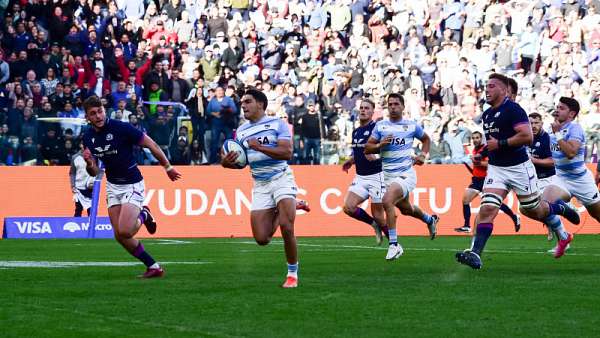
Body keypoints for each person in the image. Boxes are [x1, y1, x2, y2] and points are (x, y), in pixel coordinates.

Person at [455, 74, 580, 269]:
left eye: (492, 86)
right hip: (497, 169)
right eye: (486, 86)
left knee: (534, 209)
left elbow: (527, 137)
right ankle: (475, 254)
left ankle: (560, 208)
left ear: (504, 90)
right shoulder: (487, 114)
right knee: (487, 209)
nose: (487, 90)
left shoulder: (514, 110)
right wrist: (485, 153)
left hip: (519, 168)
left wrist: (501, 143)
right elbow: (493, 141)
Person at [81, 96, 182, 278]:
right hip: (112, 186)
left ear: (105, 110)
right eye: (93, 114)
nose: (98, 116)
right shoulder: (88, 137)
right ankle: (154, 267)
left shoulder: (122, 128)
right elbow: (95, 172)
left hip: (132, 184)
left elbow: (151, 144)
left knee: (126, 230)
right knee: (120, 236)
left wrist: (168, 167)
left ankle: (144, 214)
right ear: (87, 117)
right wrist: (88, 162)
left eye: (100, 111)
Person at [221, 89, 300, 288]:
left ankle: (292, 274)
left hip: (281, 177)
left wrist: (260, 147)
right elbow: (239, 162)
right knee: (261, 238)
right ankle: (292, 205)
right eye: (242, 103)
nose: (244, 106)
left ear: (260, 104)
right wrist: (226, 162)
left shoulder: (277, 124)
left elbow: (287, 152)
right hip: (260, 184)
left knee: (287, 227)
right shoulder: (240, 132)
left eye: (248, 102)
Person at [365, 93, 439, 261]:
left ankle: (394, 245)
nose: (392, 107)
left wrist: (423, 155)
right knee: (406, 210)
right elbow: (367, 149)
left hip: (406, 174)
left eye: (396, 104)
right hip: (389, 176)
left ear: (403, 107)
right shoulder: (380, 126)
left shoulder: (411, 126)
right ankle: (430, 219)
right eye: (390, 104)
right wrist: (380, 145)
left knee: (387, 201)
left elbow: (426, 139)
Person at [542, 97, 600, 257]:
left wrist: (558, 134)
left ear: (571, 113)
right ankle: (564, 236)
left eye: (561, 108)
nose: (557, 110)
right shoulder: (551, 130)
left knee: (597, 215)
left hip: (581, 179)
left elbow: (571, 152)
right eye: (557, 107)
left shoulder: (575, 129)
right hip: (561, 178)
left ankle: (566, 210)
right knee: (543, 206)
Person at [341, 98, 388, 245]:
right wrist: (351, 160)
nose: (363, 110)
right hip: (361, 176)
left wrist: (377, 155)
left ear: (373, 112)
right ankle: (373, 225)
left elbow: (386, 147)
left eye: (367, 108)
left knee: (380, 216)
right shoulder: (356, 132)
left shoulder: (377, 129)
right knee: (348, 207)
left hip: (376, 176)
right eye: (361, 108)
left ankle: (394, 242)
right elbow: (359, 152)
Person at [454, 131, 521, 233]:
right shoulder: (475, 150)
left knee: (494, 203)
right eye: (473, 138)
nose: (475, 140)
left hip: (485, 180)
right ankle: (467, 225)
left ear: (481, 139)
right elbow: (476, 167)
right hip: (476, 180)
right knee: (465, 200)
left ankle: (514, 216)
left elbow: (489, 163)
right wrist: (470, 167)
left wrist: (478, 162)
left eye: (477, 137)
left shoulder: (485, 149)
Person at [527, 112, 556, 241]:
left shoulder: (547, 138)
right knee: (530, 208)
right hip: (533, 179)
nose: (533, 126)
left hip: (547, 178)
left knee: (542, 208)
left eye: (536, 123)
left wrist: (534, 160)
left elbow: (552, 161)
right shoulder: (526, 138)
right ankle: (551, 223)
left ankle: (563, 238)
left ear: (541, 123)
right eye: (531, 123)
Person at [70, 143, 95, 217]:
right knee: (78, 209)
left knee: (91, 210)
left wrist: (95, 182)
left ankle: (91, 227)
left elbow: (99, 171)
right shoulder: (75, 157)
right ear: (80, 145)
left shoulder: (94, 157)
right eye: (82, 144)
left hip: (90, 188)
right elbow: (72, 173)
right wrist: (73, 185)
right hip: (79, 188)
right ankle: (77, 225)